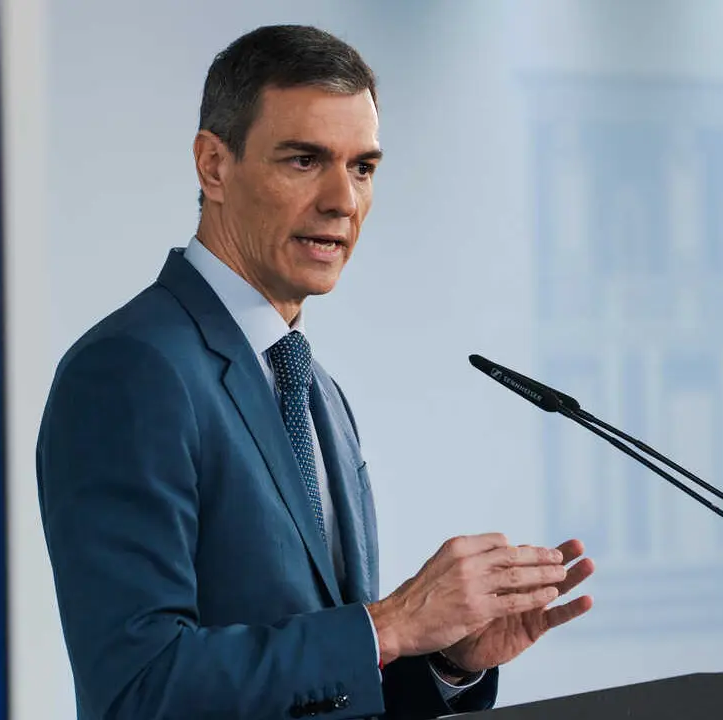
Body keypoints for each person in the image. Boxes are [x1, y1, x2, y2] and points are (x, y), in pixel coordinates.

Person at [35, 24, 595, 720]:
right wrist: (386, 626)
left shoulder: (314, 388)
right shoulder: (130, 371)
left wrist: (445, 660)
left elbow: (330, 692)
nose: (343, 200)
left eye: (363, 167)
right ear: (214, 165)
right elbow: (139, 688)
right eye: (305, 160)